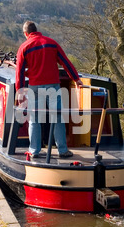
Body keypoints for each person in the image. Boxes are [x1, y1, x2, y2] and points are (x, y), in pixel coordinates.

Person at [15, 21, 83, 159]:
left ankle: (34, 151)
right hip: (53, 86)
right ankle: (62, 150)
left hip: (35, 87)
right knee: (57, 117)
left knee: (35, 119)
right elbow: (65, 62)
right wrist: (76, 79)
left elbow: (20, 72)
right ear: (37, 30)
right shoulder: (51, 43)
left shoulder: (24, 47)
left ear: (25, 34)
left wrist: (20, 91)